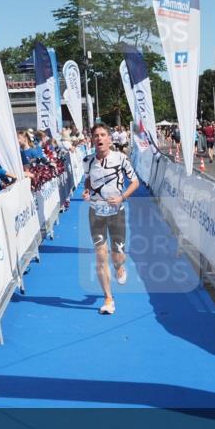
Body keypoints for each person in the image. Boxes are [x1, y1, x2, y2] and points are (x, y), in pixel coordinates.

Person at [82, 123, 139, 315]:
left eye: (102, 135)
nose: (99, 138)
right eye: (96, 135)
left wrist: (122, 197)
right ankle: (108, 298)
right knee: (100, 255)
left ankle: (119, 267)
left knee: (117, 255)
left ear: (109, 138)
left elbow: (135, 182)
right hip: (96, 213)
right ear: (92, 139)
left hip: (116, 213)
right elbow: (88, 179)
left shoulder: (120, 158)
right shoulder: (87, 161)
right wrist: (87, 190)